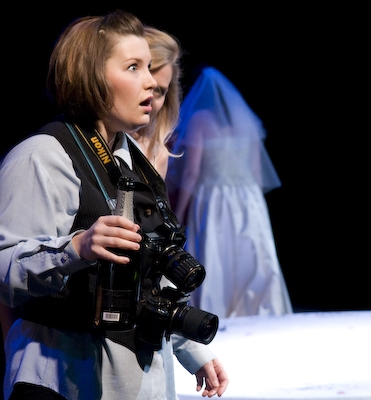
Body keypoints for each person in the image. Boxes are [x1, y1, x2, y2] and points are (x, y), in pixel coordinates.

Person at [0, 11, 228, 400]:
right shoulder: (42, 156)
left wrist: (191, 349)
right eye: (133, 67)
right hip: (65, 376)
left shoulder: (133, 158)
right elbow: (5, 268)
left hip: (137, 375)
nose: (151, 81)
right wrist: (75, 248)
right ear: (91, 76)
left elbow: (151, 273)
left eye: (149, 68)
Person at [166, 66, 293, 318]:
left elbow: (191, 173)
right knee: (252, 253)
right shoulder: (246, 120)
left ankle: (217, 309)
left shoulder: (199, 120)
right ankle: (259, 309)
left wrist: (177, 214)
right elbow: (256, 172)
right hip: (248, 198)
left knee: (217, 253)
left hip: (214, 199)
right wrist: (255, 206)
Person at [128, 26, 181, 179]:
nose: (149, 97)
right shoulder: (81, 139)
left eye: (158, 91)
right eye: (143, 83)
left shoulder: (158, 156)